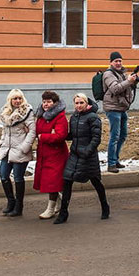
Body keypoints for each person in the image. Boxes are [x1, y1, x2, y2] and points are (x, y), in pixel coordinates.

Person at [55, 95, 110, 224]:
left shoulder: (93, 117)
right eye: (76, 103)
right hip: (74, 154)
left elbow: (96, 138)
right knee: (67, 181)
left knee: (96, 182)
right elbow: (73, 135)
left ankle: (105, 206)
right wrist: (59, 135)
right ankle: (63, 213)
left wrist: (87, 152)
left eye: (81, 103)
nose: (79, 105)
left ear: (87, 103)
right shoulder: (74, 117)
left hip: (88, 156)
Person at [0, 89, 35, 217]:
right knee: (3, 175)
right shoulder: (6, 113)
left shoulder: (27, 112)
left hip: (20, 150)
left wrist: (24, 147)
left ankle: (19, 206)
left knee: (18, 177)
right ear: (10, 100)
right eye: (15, 99)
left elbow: (32, 131)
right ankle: (10, 202)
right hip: (6, 149)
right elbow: (5, 131)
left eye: (19, 98)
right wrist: (1, 144)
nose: (17, 101)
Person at [101, 53, 139, 173]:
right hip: (113, 108)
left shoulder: (121, 73)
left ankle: (115, 159)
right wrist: (128, 81)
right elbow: (115, 89)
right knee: (114, 136)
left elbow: (125, 88)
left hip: (122, 107)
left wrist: (133, 82)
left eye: (120, 61)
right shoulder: (108, 74)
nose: (118, 63)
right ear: (111, 62)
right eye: (116, 61)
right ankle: (111, 163)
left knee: (123, 135)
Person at [33, 91, 68, 220]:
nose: (46, 104)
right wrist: (48, 134)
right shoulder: (41, 116)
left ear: (55, 103)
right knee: (48, 181)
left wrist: (43, 136)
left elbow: (60, 135)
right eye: (44, 102)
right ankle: (59, 202)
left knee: (52, 182)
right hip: (44, 153)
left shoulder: (60, 117)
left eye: (49, 102)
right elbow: (37, 130)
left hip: (56, 154)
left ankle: (50, 208)